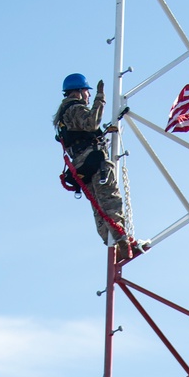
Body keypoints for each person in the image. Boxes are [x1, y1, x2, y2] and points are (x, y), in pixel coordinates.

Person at [54, 73, 139, 261]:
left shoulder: (64, 113)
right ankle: (122, 242)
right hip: (92, 159)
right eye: (87, 92)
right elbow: (92, 122)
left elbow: (85, 132)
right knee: (109, 198)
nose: (88, 96)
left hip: (81, 164)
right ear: (79, 91)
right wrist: (101, 98)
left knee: (98, 206)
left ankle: (112, 245)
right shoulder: (74, 108)